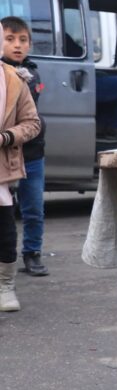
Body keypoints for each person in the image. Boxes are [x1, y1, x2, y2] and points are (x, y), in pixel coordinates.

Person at [1, 17, 49, 276]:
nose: (17, 45)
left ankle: (32, 253)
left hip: (31, 152)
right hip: (4, 154)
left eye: (23, 40)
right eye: (10, 39)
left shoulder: (30, 74)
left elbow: (29, 117)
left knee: (33, 208)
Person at [0, 54, 42, 311]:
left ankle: (5, 286)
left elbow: (32, 123)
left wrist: (6, 137)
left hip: (1, 170)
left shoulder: (14, 79)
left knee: (4, 230)